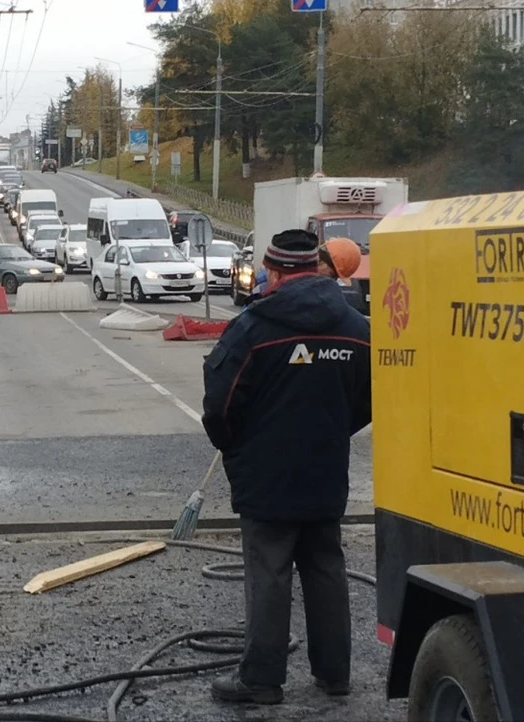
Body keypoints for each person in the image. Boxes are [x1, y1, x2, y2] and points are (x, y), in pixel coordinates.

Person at [201, 229, 372, 706]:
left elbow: (219, 404)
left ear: (273, 272)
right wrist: (334, 430)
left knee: (269, 574)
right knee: (326, 569)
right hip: (325, 470)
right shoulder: (356, 328)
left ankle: (261, 679)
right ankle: (335, 674)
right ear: (317, 268)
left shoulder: (255, 327)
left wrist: (237, 449)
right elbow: (370, 397)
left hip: (267, 475)